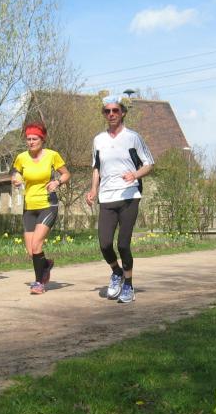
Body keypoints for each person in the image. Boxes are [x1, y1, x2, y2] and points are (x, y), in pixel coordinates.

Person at [85, 95, 154, 304]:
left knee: (123, 244)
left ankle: (128, 285)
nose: (111, 114)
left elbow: (149, 164)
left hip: (129, 196)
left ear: (123, 112)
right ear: (104, 114)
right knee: (105, 244)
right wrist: (93, 189)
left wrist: (135, 175)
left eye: (115, 110)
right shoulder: (98, 140)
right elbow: (97, 168)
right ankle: (116, 272)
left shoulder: (133, 137)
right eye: (107, 111)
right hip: (107, 197)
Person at [11, 122, 71, 295]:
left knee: (37, 244)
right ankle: (45, 264)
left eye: (34, 139)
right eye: (28, 139)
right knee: (31, 251)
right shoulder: (21, 157)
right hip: (29, 206)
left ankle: (39, 283)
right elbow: (15, 173)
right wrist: (15, 179)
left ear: (42, 139)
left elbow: (66, 174)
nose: (30, 142)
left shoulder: (52, 155)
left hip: (48, 205)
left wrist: (57, 182)